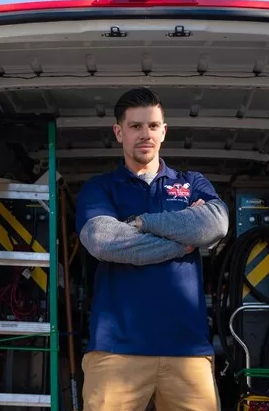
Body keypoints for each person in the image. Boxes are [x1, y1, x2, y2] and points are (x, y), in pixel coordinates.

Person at [74, 87, 230, 411]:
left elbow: (215, 224)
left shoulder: (191, 182)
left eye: (153, 126)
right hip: (115, 350)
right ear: (119, 132)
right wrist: (184, 242)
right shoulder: (100, 187)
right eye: (135, 126)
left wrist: (140, 223)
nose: (145, 134)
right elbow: (103, 241)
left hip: (187, 350)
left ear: (164, 131)